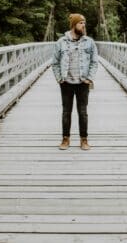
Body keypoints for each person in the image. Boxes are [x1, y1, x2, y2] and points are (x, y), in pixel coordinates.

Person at [51, 13, 98, 150]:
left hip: (83, 82)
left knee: (82, 112)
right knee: (66, 112)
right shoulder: (61, 42)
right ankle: (65, 139)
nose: (83, 25)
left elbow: (95, 62)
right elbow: (54, 63)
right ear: (73, 25)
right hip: (66, 82)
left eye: (84, 23)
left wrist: (89, 78)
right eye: (81, 23)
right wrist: (59, 78)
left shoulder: (89, 42)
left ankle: (84, 140)